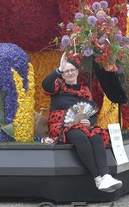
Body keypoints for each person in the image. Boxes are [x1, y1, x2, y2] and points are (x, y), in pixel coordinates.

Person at [42, 53, 123, 193]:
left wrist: (89, 121)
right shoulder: (58, 86)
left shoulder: (85, 90)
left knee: (97, 136)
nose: (69, 73)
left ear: (77, 72)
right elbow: (45, 84)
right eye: (66, 71)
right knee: (79, 136)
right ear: (62, 74)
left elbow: (92, 111)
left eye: (72, 70)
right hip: (61, 125)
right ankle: (97, 178)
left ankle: (106, 175)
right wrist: (58, 70)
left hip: (82, 125)